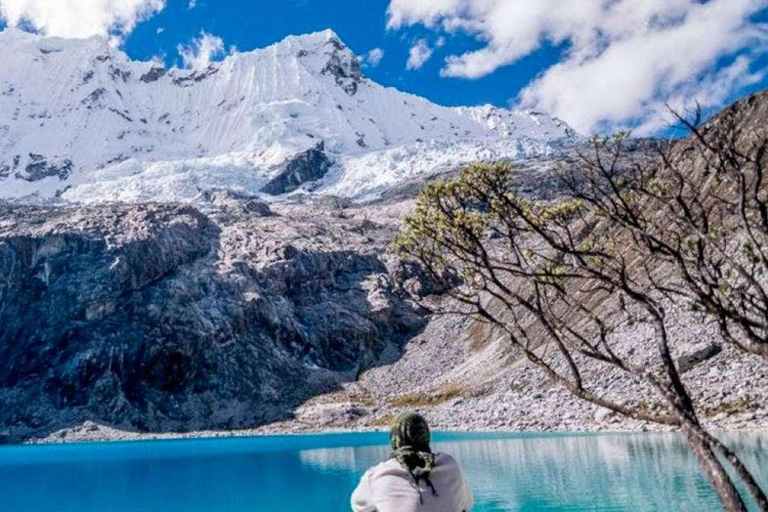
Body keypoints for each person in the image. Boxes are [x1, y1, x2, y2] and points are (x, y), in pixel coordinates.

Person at [351, 412, 473, 512]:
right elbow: (467, 505)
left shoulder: (376, 475)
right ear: (426, 436)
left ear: (394, 440)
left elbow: (358, 506)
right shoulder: (449, 464)